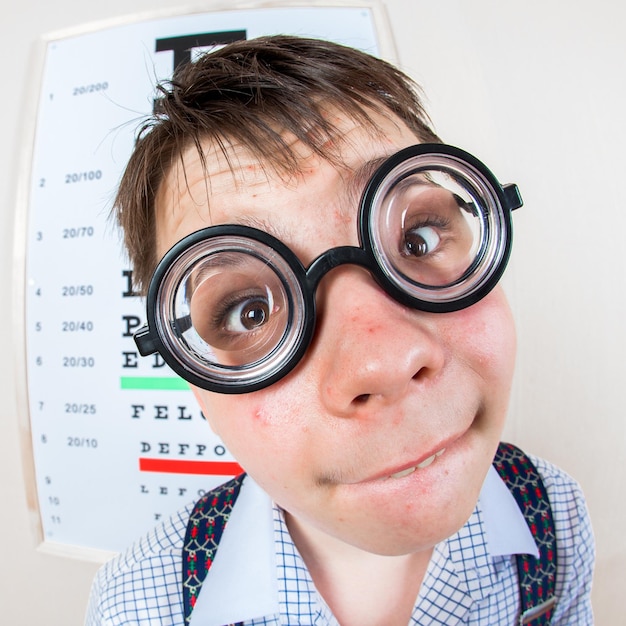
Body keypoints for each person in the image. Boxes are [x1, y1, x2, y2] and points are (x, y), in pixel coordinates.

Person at [85, 35, 594, 625]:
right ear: (199, 387)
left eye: (417, 239)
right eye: (250, 311)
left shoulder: (555, 515)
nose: (385, 360)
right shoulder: (140, 606)